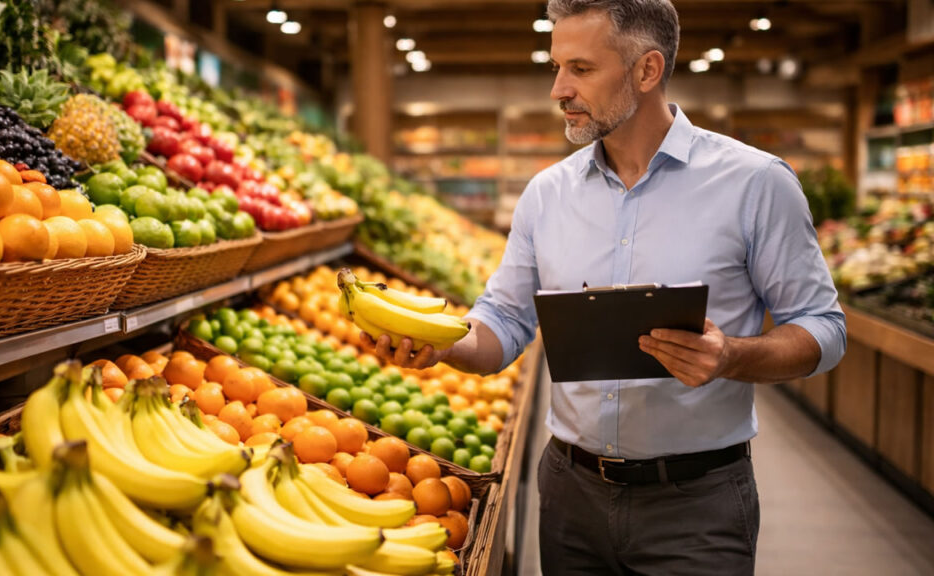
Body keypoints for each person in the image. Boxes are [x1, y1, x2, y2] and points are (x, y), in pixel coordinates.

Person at [361, 0, 847, 573]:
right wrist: (447, 346)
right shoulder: (547, 195)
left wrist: (731, 356)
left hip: (697, 509)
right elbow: (504, 319)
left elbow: (824, 328)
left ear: (646, 71)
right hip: (571, 495)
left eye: (581, 69)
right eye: (556, 67)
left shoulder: (756, 184)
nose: (558, 89)